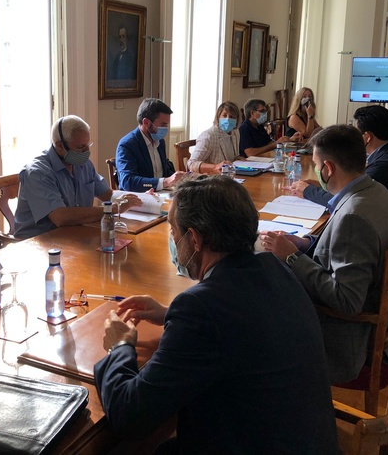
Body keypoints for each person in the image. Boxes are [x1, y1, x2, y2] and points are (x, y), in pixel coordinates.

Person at [94, 175, 340, 453]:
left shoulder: (202, 308)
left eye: (173, 232)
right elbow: (243, 322)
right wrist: (169, 314)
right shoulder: (276, 268)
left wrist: (120, 346)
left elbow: (130, 416)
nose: (173, 240)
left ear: (195, 239)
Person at [261, 125, 388, 383]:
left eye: (315, 164)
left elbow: (346, 301)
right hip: (381, 313)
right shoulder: (376, 192)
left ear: (328, 168)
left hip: (347, 340)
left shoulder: (353, 216)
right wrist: (305, 243)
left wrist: (292, 257)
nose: (316, 170)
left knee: (256, 317)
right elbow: (342, 248)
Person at [294, 105, 388, 239]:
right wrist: (320, 185)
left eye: (356, 133)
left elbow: (345, 201)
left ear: (367, 137)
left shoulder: (383, 166)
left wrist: (308, 191)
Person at [14, 115, 141, 239]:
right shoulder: (38, 172)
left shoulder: (83, 163)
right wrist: (111, 209)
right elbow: (60, 217)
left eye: (88, 145)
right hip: (38, 241)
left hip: (74, 233)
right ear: (59, 145)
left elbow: (107, 194)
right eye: (80, 147)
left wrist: (141, 199)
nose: (87, 152)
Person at [115, 98, 186, 192]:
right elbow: (128, 182)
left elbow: (163, 172)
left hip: (161, 194)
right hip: (140, 199)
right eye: (163, 124)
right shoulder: (127, 145)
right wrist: (165, 182)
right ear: (146, 123)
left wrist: (180, 178)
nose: (165, 129)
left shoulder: (160, 142)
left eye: (167, 125)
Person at [187, 101, 244, 174]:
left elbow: (230, 157)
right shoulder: (209, 136)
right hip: (210, 178)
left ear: (237, 120)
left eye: (232, 117)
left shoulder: (235, 133)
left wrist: (237, 158)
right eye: (224, 115)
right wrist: (215, 166)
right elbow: (191, 164)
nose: (227, 119)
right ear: (218, 117)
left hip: (229, 175)